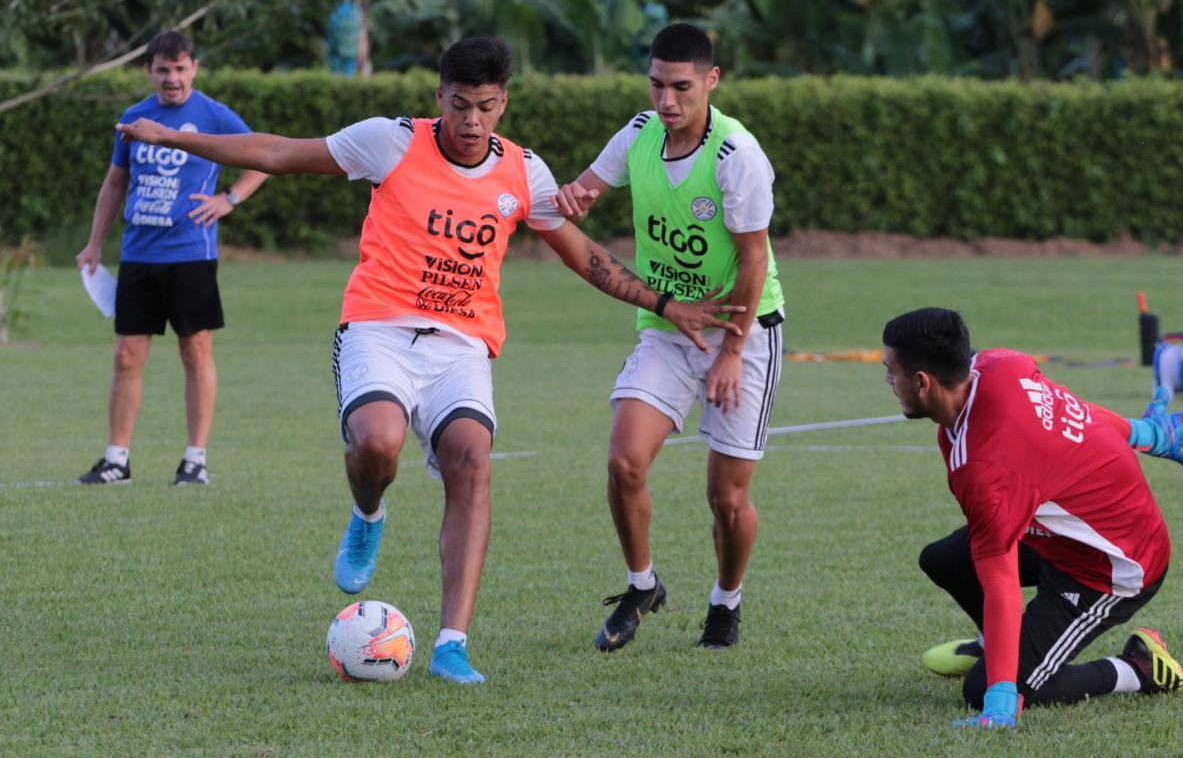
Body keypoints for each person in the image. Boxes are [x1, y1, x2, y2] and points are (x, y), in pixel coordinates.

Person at [115, 36, 744, 684]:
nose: (472, 120)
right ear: (439, 96)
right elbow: (277, 152)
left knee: (472, 460)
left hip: (462, 346)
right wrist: (173, 137)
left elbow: (584, 256)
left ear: (504, 104)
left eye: (487, 107)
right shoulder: (389, 142)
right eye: (460, 104)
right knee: (376, 445)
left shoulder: (523, 172)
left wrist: (665, 304)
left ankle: (451, 645)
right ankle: (368, 513)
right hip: (378, 329)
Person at [553, 23, 785, 651]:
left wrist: (731, 352)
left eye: (681, 86)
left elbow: (754, 260)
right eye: (657, 84)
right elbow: (585, 191)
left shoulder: (737, 156)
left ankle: (726, 601)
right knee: (623, 462)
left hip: (742, 331)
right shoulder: (638, 134)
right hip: (666, 326)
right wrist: (573, 198)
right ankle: (642, 585)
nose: (666, 100)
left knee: (726, 497)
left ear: (712, 80)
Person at [880, 307, 1183, 728]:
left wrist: (1000, 697)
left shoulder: (984, 470)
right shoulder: (1001, 364)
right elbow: (1078, 412)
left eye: (890, 371)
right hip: (1061, 540)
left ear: (922, 382)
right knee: (943, 560)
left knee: (982, 689)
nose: (888, 381)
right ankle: (1000, 648)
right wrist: (1141, 433)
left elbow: (1001, 580)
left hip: (1113, 567)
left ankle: (1140, 668)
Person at [76, 30, 269, 487]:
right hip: (138, 255)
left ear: (194, 68)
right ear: (149, 71)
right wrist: (94, 242)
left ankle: (194, 460)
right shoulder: (134, 117)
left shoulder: (213, 115)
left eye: (180, 69)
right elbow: (115, 183)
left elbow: (262, 156)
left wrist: (229, 199)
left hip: (191, 255)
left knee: (195, 351)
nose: (172, 78)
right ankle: (116, 460)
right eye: (163, 70)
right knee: (126, 355)